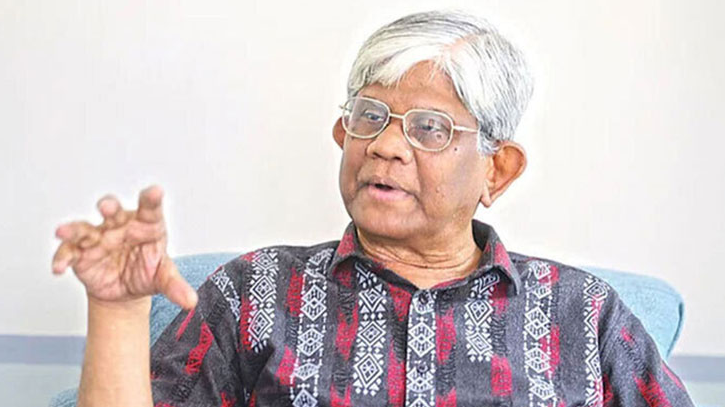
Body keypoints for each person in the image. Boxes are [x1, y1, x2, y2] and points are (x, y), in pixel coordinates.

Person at [51, 10, 695, 407]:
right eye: (370, 117)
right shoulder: (254, 293)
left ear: (496, 169)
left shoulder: (584, 314)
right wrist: (118, 310)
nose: (385, 145)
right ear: (343, 134)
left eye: (429, 128)